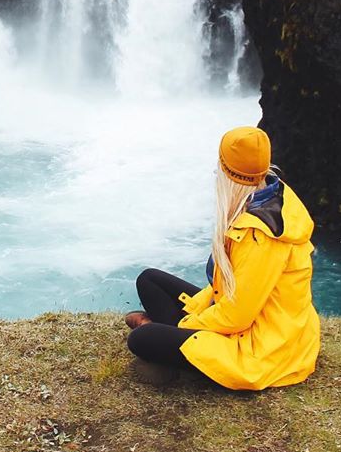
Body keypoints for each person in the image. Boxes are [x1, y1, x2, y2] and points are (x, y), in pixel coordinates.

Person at [125, 126, 320, 390]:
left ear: (227, 174)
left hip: (264, 346)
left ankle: (166, 341)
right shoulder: (273, 192)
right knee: (149, 280)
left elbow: (237, 317)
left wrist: (187, 324)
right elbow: (230, 293)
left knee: (141, 340)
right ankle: (168, 338)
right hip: (255, 316)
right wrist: (197, 312)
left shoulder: (259, 237)